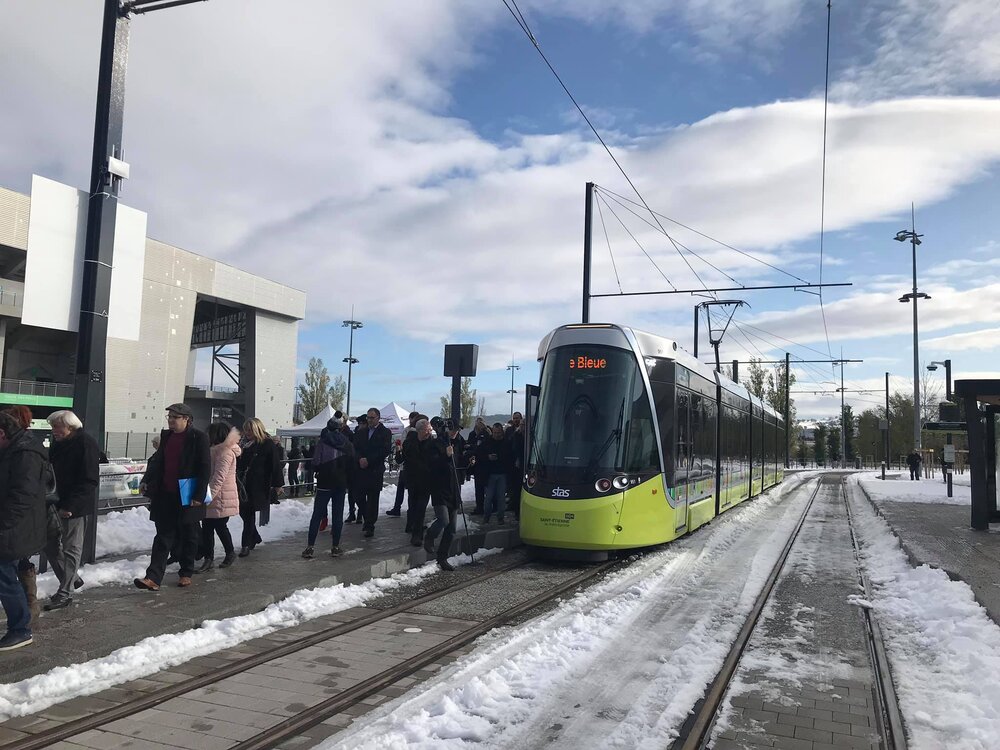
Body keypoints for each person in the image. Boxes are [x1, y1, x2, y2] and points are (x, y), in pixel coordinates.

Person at [135, 403, 211, 591]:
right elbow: (158, 461)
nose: (170, 420)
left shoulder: (198, 437)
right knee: (163, 536)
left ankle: (186, 571)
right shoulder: (166, 436)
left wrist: (198, 495)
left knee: (189, 534)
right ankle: (153, 578)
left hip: (188, 494)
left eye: (175, 417)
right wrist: (147, 480)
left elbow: (204, 468)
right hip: (165, 493)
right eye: (169, 417)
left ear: (186, 419)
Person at [0, 410, 48, 651]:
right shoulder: (13, 449)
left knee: (6, 577)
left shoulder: (24, 453)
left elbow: (22, 496)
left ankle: (20, 629)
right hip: (11, 526)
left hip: (12, 528)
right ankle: (20, 625)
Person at [42, 410, 99, 611]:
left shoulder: (86, 443)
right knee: (49, 543)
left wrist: (71, 506)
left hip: (74, 505)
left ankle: (65, 592)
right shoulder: (59, 443)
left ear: (70, 426)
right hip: (55, 501)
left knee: (71, 548)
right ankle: (71, 578)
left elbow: (89, 479)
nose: (53, 431)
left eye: (57, 426)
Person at [302, 413, 355, 559]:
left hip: (324, 482)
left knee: (317, 515)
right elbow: (352, 465)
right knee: (337, 515)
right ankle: (335, 546)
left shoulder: (323, 443)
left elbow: (315, 462)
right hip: (340, 482)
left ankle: (310, 547)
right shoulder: (348, 444)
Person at [236, 418, 285, 557]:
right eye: (245, 429)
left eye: (250, 430)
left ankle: (245, 544)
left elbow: (275, 465)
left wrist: (277, 485)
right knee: (243, 513)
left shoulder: (267, 444)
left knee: (249, 513)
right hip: (242, 484)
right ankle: (255, 537)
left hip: (258, 485)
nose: (247, 432)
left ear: (257, 429)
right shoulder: (243, 444)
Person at [199, 422, 241, 572]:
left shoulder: (225, 453)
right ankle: (208, 558)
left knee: (219, 526)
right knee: (207, 528)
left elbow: (218, 478)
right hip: (214, 496)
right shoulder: (215, 451)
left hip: (221, 497)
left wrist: (206, 497)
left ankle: (229, 553)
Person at [423, 425, 458, 571]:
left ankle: (442, 557)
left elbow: (459, 461)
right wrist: (446, 455)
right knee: (444, 520)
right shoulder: (434, 444)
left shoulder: (457, 443)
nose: (455, 432)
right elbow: (434, 465)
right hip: (440, 489)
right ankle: (430, 535)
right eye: (452, 429)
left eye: (457, 430)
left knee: (451, 529)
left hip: (453, 489)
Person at [353, 407, 391, 538]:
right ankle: (366, 516)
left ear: (378, 418)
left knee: (373, 499)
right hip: (361, 469)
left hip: (375, 469)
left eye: (372, 418)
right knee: (358, 495)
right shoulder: (361, 432)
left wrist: (369, 460)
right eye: (368, 418)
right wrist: (359, 459)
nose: (369, 420)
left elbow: (385, 450)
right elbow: (355, 448)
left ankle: (370, 525)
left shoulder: (385, 432)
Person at [404, 418, 434, 546]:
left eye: (430, 429)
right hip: (412, 479)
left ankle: (417, 535)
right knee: (413, 506)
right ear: (420, 431)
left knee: (421, 508)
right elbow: (404, 457)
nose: (430, 432)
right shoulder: (410, 442)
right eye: (428, 430)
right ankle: (411, 526)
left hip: (426, 481)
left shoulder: (433, 443)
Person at [387, 411, 420, 517]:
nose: (413, 421)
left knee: (412, 491)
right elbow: (403, 443)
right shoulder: (407, 430)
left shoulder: (418, 431)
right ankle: (397, 507)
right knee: (401, 487)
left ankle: (410, 512)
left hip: (412, 465)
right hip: (405, 464)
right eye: (412, 419)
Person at [479, 423, 513, 523]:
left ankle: (500, 517)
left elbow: (510, 457)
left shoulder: (506, 443)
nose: (496, 435)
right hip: (490, 474)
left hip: (502, 473)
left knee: (501, 497)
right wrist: (487, 457)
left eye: (498, 433)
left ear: (501, 432)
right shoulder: (487, 442)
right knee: (488, 498)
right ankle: (486, 517)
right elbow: (479, 454)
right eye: (495, 432)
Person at [466, 418, 491, 515]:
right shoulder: (474, 434)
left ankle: (482, 507)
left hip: (483, 464)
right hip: (478, 464)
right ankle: (481, 507)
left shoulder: (485, 435)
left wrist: (472, 448)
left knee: (482, 488)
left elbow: (481, 448)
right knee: (480, 488)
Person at [347, 414, 368, 524]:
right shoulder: (355, 433)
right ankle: (352, 512)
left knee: (361, 493)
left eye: (362, 423)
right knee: (352, 492)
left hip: (362, 468)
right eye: (359, 423)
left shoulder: (367, 435)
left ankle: (360, 514)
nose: (360, 425)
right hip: (353, 467)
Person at [505, 412, 525, 521]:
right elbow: (508, 444)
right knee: (514, 487)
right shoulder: (510, 431)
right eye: (514, 418)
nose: (516, 420)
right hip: (513, 464)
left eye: (518, 418)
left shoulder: (527, 433)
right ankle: (514, 507)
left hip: (523, 464)